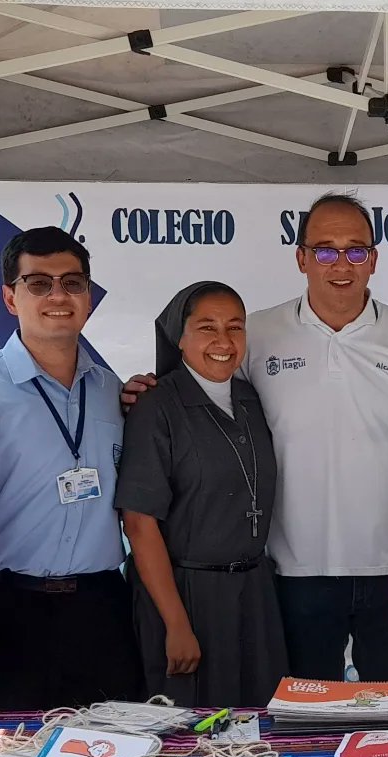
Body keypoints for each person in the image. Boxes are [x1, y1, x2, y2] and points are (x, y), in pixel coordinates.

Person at [124, 193, 388, 682]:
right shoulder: (256, 333)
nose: (339, 264)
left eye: (354, 250)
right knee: (302, 725)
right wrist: (146, 392)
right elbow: (198, 398)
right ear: (301, 258)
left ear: (374, 260)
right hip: (288, 576)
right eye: (324, 250)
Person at [0, 227, 140, 709]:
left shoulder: (109, 388)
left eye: (72, 282)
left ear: (89, 297)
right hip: (9, 607)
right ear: (10, 298)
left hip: (101, 606)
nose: (58, 295)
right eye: (39, 284)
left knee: (112, 754)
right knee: (14, 756)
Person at [115, 282, 287, 706]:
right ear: (180, 336)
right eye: (207, 327)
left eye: (235, 327)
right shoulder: (157, 405)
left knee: (258, 727)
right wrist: (176, 624)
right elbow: (139, 523)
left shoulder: (252, 399)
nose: (224, 342)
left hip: (253, 594)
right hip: (186, 595)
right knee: (190, 737)